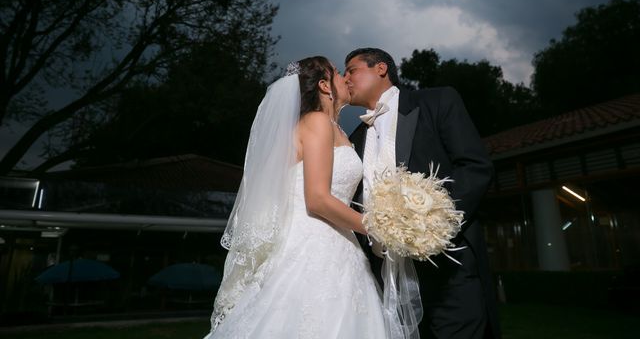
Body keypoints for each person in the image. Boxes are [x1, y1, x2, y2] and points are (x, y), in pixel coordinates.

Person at [203, 56, 390, 338]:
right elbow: (317, 199)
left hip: (339, 246)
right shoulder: (316, 121)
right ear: (325, 86)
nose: (346, 79)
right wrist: (377, 226)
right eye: (339, 73)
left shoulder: (337, 130)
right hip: (312, 244)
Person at [344, 47, 501, 339]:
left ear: (380, 68)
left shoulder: (437, 100)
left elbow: (475, 166)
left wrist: (434, 223)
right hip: (384, 274)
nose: (345, 79)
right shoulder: (353, 138)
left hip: (446, 265)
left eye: (351, 70)